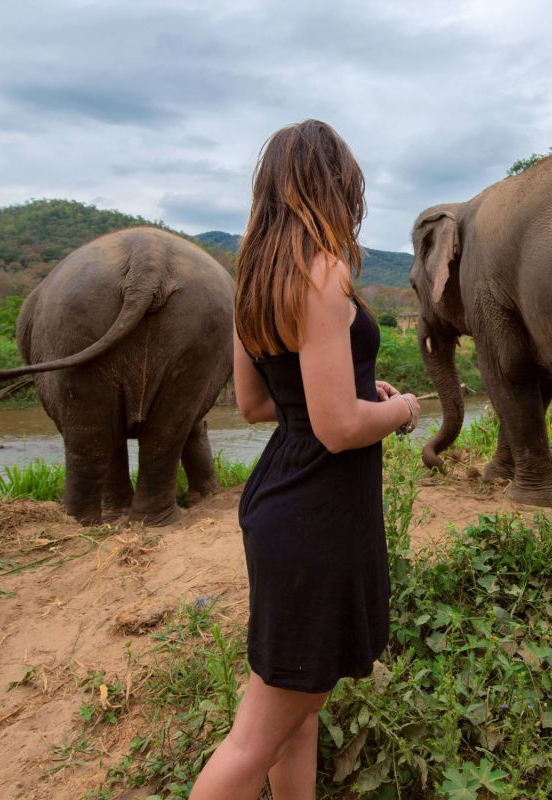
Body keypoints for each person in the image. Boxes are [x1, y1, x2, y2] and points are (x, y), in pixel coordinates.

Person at [189, 120, 421, 800]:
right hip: (318, 517)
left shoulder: (256, 281)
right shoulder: (324, 273)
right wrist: (403, 410)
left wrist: (353, 391)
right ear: (336, 186)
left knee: (300, 708)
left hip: (280, 505)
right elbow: (340, 428)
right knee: (255, 737)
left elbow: (260, 404)